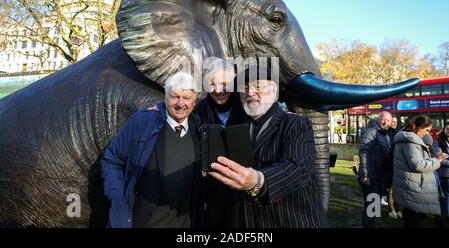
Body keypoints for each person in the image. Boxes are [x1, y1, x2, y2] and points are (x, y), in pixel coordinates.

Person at [207, 64, 327, 227]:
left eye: (258, 86)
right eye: (245, 88)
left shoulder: (296, 124)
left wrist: (259, 181)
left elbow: (298, 167)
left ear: (274, 92)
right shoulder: (234, 128)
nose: (250, 93)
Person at [101, 72, 201, 228]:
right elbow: (112, 160)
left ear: (194, 101)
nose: (181, 104)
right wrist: (118, 200)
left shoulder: (199, 130)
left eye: (186, 98)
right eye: (174, 96)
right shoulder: (142, 122)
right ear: (165, 97)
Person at [195, 59, 246, 227]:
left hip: (245, 191)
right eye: (212, 84)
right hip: (212, 191)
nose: (218, 90)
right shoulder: (199, 111)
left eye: (224, 84)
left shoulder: (247, 106)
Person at [392, 116, 447, 228]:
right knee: (415, 219)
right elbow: (417, 165)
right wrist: (437, 160)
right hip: (415, 188)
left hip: (411, 186)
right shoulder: (411, 141)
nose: (427, 134)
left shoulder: (407, 139)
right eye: (426, 130)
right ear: (419, 127)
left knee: (410, 218)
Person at [358, 111, 393, 227]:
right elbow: (363, 152)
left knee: (374, 206)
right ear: (378, 119)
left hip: (380, 176)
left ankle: (370, 225)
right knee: (372, 205)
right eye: (383, 119)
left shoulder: (385, 134)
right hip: (371, 176)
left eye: (388, 121)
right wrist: (364, 174)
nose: (386, 122)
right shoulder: (372, 131)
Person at [433, 122, 449, 224]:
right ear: (443, 130)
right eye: (447, 128)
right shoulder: (438, 142)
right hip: (445, 174)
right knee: (447, 196)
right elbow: (440, 160)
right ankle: (447, 216)